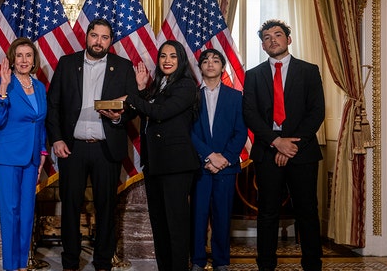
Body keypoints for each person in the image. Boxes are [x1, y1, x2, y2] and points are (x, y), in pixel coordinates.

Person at [46, 18, 138, 271]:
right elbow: (53, 105)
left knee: (106, 207)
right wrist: (56, 139)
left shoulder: (123, 66)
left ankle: (102, 262)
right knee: (71, 205)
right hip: (71, 148)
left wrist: (119, 116)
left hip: (106, 148)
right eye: (95, 36)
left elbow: (132, 105)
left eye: (104, 37)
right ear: (87, 36)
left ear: (111, 40)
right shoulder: (67, 64)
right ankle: (71, 262)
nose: (99, 41)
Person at [242, 19, 325, 271]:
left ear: (288, 40)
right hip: (268, 151)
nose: (272, 40)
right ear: (263, 45)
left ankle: (312, 265)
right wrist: (277, 142)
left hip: (303, 152)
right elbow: (250, 114)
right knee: (267, 213)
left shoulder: (309, 71)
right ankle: (265, 266)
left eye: (278, 35)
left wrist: (291, 146)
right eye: (267, 37)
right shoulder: (253, 75)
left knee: (307, 211)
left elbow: (316, 112)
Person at [119, 40, 199, 271]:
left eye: (173, 56)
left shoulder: (186, 85)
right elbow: (146, 112)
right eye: (163, 56)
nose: (167, 60)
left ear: (180, 60)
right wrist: (142, 89)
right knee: (160, 224)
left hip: (176, 165)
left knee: (176, 225)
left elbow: (161, 112)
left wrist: (132, 97)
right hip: (154, 164)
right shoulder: (158, 85)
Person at [0, 38, 47, 271]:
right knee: (10, 213)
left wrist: (42, 151)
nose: (24, 60)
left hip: (32, 158)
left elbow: (39, 123)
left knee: (26, 213)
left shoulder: (40, 87)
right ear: (12, 59)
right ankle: (10, 267)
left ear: (34, 60)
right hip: (7, 157)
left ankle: (23, 265)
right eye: (19, 55)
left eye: (28, 55)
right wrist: (3, 87)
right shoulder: (2, 83)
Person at [189, 49, 248, 271]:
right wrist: (208, 156)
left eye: (215, 61)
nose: (210, 64)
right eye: (206, 61)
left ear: (223, 67)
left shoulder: (235, 97)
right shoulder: (191, 96)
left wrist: (225, 158)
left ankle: (221, 260)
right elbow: (189, 132)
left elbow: (240, 131)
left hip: (226, 166)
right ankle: (197, 259)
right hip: (200, 166)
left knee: (222, 215)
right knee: (198, 214)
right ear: (200, 67)